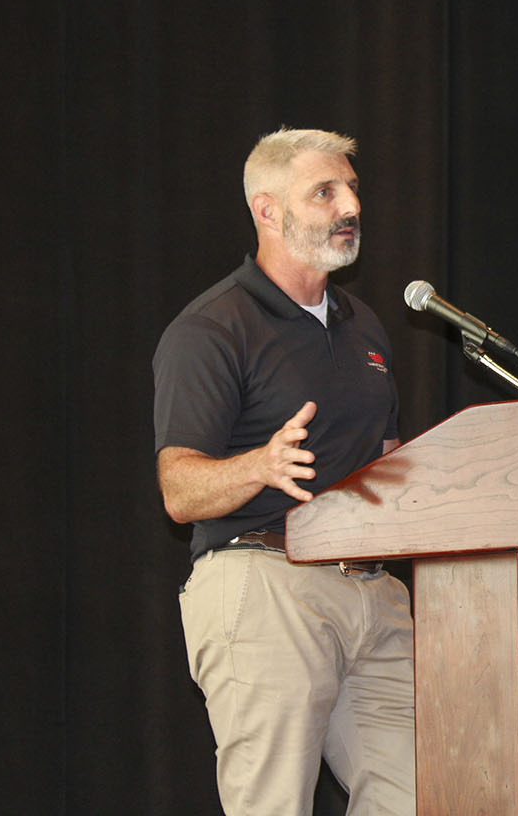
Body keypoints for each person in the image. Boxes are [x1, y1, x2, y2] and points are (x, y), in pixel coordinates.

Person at [153, 128, 415, 815]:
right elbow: (179, 491)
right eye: (325, 191)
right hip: (266, 583)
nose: (349, 204)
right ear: (267, 211)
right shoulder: (212, 329)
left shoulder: (366, 329)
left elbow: (386, 464)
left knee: (424, 794)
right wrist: (259, 465)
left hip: (373, 594)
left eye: (352, 188)